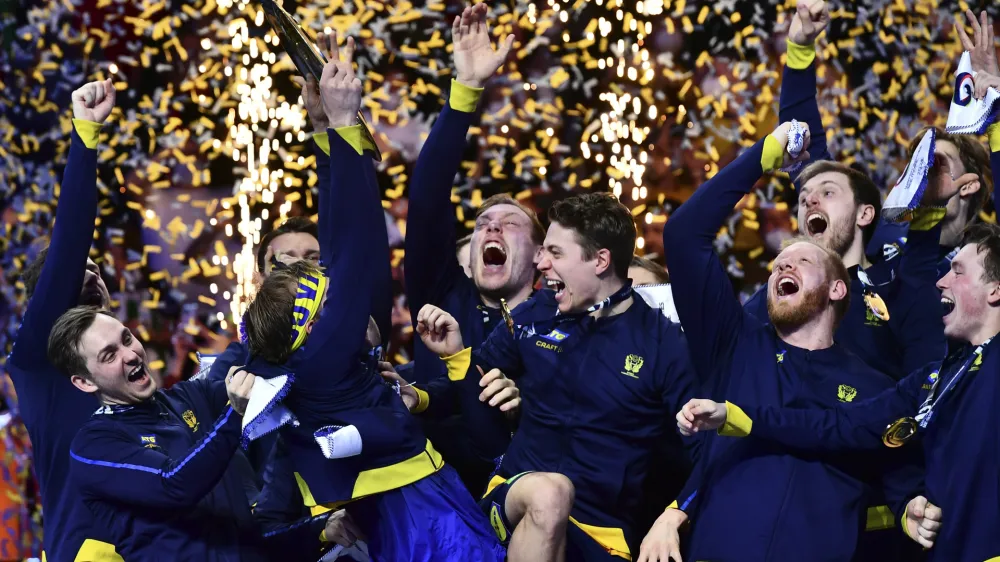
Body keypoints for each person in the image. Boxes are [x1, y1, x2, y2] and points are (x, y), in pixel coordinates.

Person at [238, 39, 504, 561]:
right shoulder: (321, 353)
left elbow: (339, 245)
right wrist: (341, 124)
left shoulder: (285, 347)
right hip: (414, 514)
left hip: (394, 501)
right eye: (321, 293)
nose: (330, 285)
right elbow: (358, 244)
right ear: (315, 325)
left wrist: (327, 136)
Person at [645, 121, 924, 562]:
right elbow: (683, 234)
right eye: (777, 265)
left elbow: (898, 469)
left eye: (801, 261)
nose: (781, 269)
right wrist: (762, 156)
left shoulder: (873, 387)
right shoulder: (735, 345)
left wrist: (910, 502)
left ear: (837, 289)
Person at [675, 222, 1000, 561]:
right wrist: (736, 417)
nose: (942, 280)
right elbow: (834, 426)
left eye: (958, 272)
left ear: (995, 289)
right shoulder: (932, 381)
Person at [419, 192, 699, 562]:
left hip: (602, 535)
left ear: (600, 261)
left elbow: (707, 450)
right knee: (551, 493)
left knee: (555, 497)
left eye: (555, 252)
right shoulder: (539, 310)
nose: (541, 262)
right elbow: (475, 389)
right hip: (514, 499)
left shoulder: (665, 344)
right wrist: (449, 363)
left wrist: (673, 514)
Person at [742, 0, 946, 382]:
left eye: (828, 193)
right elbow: (801, 139)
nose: (809, 200)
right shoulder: (776, 295)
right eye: (803, 199)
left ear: (865, 214)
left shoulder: (897, 283)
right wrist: (800, 47)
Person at [401, 3, 532, 494]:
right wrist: (465, 93)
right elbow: (429, 194)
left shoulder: (559, 323)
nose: (491, 230)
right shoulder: (442, 295)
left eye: (509, 224)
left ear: (542, 256)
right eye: (482, 224)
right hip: (432, 504)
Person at [7, 78, 122, 562]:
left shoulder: (125, 366)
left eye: (97, 274)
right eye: (77, 274)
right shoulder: (36, 359)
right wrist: (85, 137)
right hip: (86, 550)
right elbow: (72, 237)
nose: (90, 277)